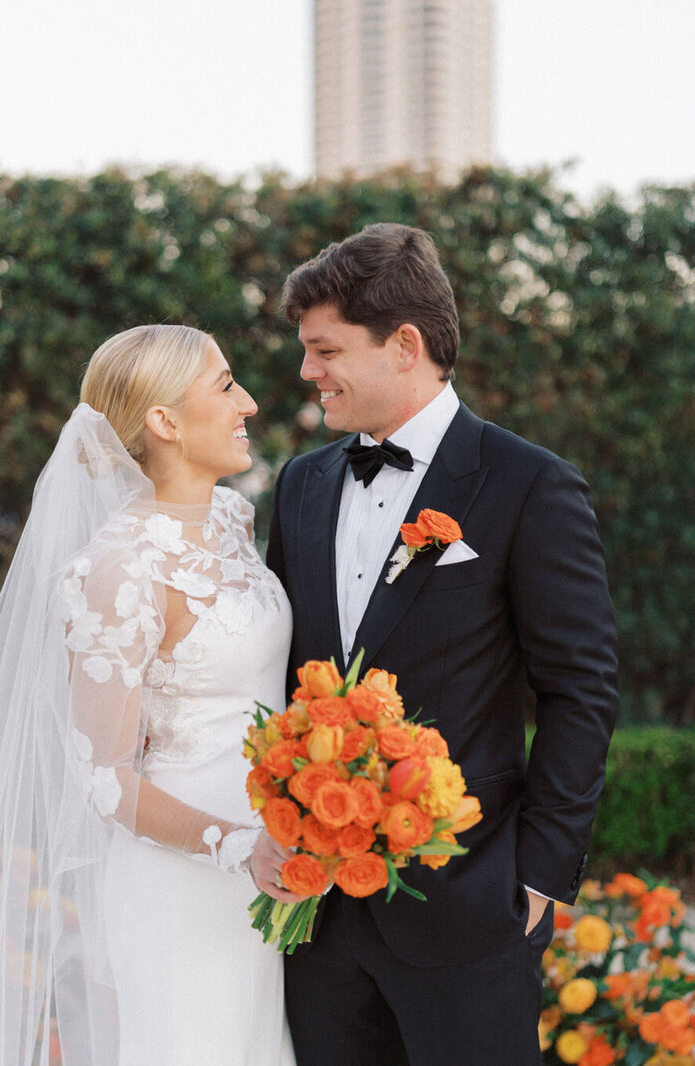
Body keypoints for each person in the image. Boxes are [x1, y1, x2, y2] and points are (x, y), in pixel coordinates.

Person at [0, 324, 299, 1065]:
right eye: (224, 385)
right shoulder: (116, 571)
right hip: (186, 876)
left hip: (275, 866)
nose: (246, 402)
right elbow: (104, 779)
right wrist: (240, 846)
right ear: (164, 422)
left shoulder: (232, 520)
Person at [266, 223, 619, 1065]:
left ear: (405, 345)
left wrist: (534, 879)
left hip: (471, 909)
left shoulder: (530, 483)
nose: (308, 372)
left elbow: (582, 689)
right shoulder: (301, 484)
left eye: (324, 350)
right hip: (317, 919)